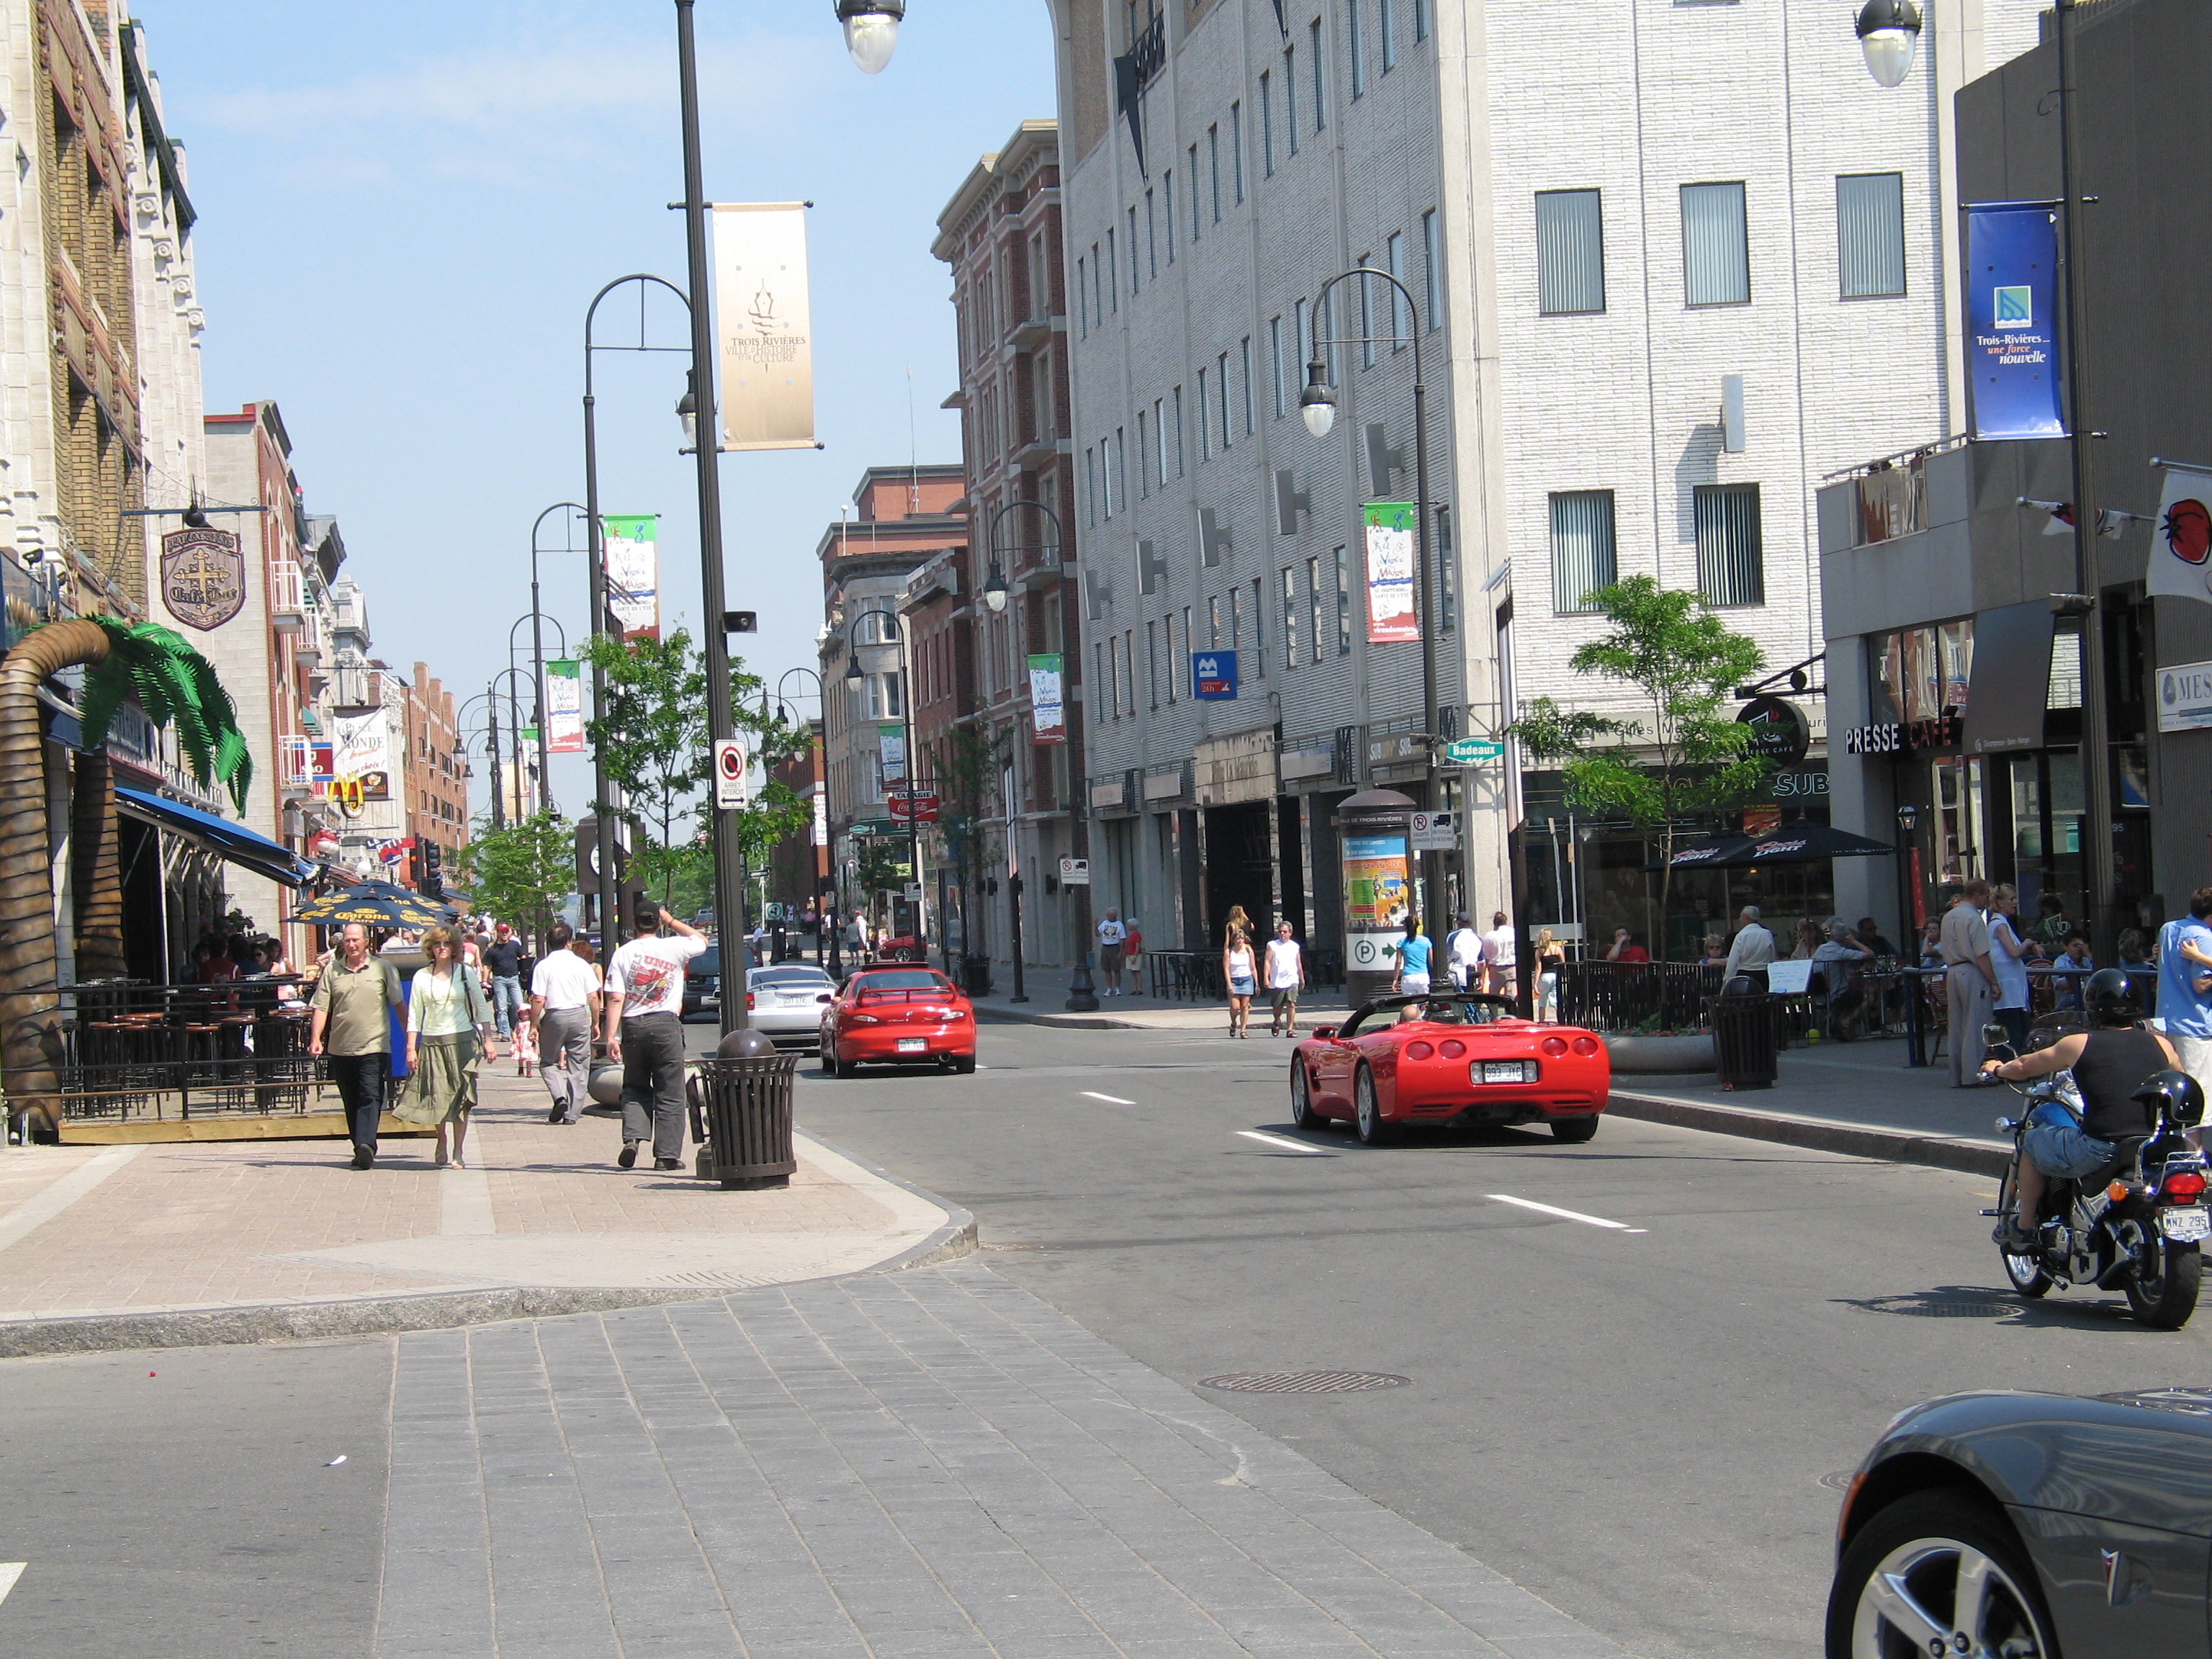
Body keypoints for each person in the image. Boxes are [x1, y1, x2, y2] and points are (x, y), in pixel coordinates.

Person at [1983, 967, 2177, 1251]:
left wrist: (1999, 1069)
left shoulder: (2078, 1044)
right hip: (2152, 1145)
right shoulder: (2161, 1044)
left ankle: (2023, 1227)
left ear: (2092, 1006)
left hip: (2101, 1147)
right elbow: (2180, 1081)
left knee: (2031, 1142)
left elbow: (2025, 1066)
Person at [603, 900, 709, 1170]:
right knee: (670, 1091)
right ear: (657, 921)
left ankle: (633, 1139)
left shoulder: (623, 954)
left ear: (634, 923)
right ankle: (666, 1155)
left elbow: (616, 998)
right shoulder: (674, 946)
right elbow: (701, 940)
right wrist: (672, 921)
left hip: (633, 1026)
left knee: (635, 1085)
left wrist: (611, 1037)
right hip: (665, 1024)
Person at [307, 922, 406, 1170]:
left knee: (370, 1095)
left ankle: (366, 1145)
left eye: (355, 940)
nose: (351, 944)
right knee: (351, 1099)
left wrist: (410, 1039)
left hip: (374, 1043)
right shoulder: (332, 971)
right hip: (341, 1046)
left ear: (366, 942)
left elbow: (398, 1004)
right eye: (347, 941)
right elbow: (321, 1006)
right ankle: (359, 1145)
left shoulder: (383, 969)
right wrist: (316, 1038)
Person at [392, 925, 494, 1169]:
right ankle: (442, 1140)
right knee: (437, 1096)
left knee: (462, 1097)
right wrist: (410, 1048)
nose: (442, 948)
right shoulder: (421, 977)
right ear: (430, 948)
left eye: (447, 944)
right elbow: (415, 1015)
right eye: (437, 944)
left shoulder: (465, 973)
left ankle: (459, 1151)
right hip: (432, 1041)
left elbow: (481, 1007)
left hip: (462, 1040)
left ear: (455, 947)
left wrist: (489, 1039)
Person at [530, 922, 603, 1125]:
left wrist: (533, 1025)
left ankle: (560, 1097)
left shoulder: (543, 965)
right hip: (579, 1015)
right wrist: (596, 1022)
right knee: (579, 1064)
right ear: (569, 942)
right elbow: (594, 997)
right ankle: (572, 1113)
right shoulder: (582, 965)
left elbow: (538, 999)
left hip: (555, 1016)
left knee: (548, 1061)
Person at [1939, 880, 2000, 1087]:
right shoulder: (1974, 918)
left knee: (1956, 1025)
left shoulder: (1949, 917)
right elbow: (1981, 954)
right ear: (1979, 895)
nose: (1987, 900)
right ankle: (1971, 1074)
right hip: (1971, 970)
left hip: (1953, 970)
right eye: (1986, 896)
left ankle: (1956, 1075)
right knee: (1975, 1024)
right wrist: (1994, 982)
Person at [2155, 886, 2212, 1093]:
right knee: (2198, 1094)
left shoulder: (2168, 929)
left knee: (2174, 1089)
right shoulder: (2204, 937)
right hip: (2195, 1025)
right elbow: (2202, 984)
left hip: (2166, 1022)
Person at [1986, 884, 2035, 1052]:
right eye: (2011, 899)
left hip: (2011, 985)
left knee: (2014, 1026)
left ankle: (2013, 1060)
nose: (2016, 902)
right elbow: (2014, 952)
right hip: (2009, 986)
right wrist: (2028, 943)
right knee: (2013, 1028)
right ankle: (2011, 1061)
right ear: (2000, 902)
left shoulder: (1999, 923)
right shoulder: (2000, 925)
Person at [1810, 919, 1874, 1039]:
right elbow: (1870, 954)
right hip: (1838, 995)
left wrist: (1854, 971)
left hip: (1820, 995)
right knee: (1868, 996)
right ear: (1845, 938)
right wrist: (1853, 941)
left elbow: (1830, 968)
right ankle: (1845, 1021)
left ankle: (1836, 1020)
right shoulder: (1841, 952)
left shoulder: (1821, 950)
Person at [482, 922, 526, 1056]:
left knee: (519, 1005)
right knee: (501, 1007)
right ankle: (504, 1033)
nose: (505, 933)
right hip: (499, 979)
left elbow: (523, 957)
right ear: (498, 933)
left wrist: (524, 971)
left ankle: (520, 1029)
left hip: (513, 978)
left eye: (506, 931)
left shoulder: (514, 945)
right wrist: (484, 981)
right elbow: (487, 966)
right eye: (502, 931)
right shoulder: (493, 949)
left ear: (510, 932)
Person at [1264, 920, 1306, 1036]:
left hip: (1292, 978)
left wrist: (1301, 978)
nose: (1282, 934)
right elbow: (1267, 962)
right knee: (1278, 1005)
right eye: (1280, 932)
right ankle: (1277, 1021)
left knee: (1291, 1003)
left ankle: (1290, 1029)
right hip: (1277, 979)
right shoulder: (1272, 945)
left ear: (1290, 933)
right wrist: (1266, 978)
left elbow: (1298, 963)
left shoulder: (1295, 946)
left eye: (1285, 932)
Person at [1723, 906, 1776, 990]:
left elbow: (1733, 960)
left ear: (1746, 917)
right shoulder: (1767, 934)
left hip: (1744, 974)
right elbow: (1772, 956)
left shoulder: (1741, 935)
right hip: (1762, 974)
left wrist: (1727, 980)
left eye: (1741, 916)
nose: (1740, 919)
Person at [1223, 927, 1257, 1038]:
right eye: (1238, 939)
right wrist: (1229, 984)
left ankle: (1243, 1030)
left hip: (1247, 979)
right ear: (1234, 940)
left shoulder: (1248, 950)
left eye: (1242, 938)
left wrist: (1256, 983)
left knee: (1245, 1006)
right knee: (1235, 1007)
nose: (1240, 941)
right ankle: (1233, 1023)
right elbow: (1226, 969)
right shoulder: (1229, 952)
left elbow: (1253, 968)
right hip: (1234, 980)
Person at [2051, 933, 2096, 1011]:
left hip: (2088, 1007)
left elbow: (2099, 974)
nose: (2078, 949)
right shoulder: (2061, 962)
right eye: (2075, 946)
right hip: (2066, 1009)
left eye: (2081, 946)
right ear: (2065, 946)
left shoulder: (2087, 961)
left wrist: (2088, 954)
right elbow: (2062, 984)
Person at [1446, 912, 1483, 993]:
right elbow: (1481, 962)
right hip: (1473, 975)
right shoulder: (1478, 938)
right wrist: (1481, 979)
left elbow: (1447, 955)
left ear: (1458, 923)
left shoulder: (1452, 936)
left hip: (1456, 975)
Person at [1396, 919, 1434, 998]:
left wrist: (1395, 980)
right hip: (1423, 976)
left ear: (1405, 927)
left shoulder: (1401, 942)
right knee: (1424, 1005)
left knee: (1410, 1006)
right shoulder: (1426, 941)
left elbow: (1398, 962)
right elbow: (1431, 961)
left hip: (1408, 977)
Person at [1481, 912, 1516, 995]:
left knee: (1494, 997)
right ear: (1506, 921)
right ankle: (1512, 1008)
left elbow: (1487, 956)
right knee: (1511, 997)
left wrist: (1488, 969)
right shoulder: (1514, 932)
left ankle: (1494, 1009)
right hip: (1511, 968)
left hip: (1496, 969)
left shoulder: (1490, 935)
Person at [1535, 928, 1566, 1020]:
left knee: (1542, 1001)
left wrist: (1535, 984)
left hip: (1545, 976)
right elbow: (1563, 963)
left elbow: (1538, 968)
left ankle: (1541, 1022)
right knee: (1556, 1000)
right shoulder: (1557, 949)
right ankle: (1560, 1021)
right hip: (1556, 975)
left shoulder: (1539, 951)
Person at [1097, 909, 1128, 996]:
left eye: (1109, 914)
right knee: (1107, 969)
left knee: (1116, 969)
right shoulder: (1104, 923)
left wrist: (1121, 951)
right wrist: (1095, 925)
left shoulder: (1119, 925)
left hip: (1115, 946)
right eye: (1107, 914)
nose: (1108, 916)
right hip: (1105, 946)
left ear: (1114, 915)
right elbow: (1098, 934)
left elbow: (1122, 939)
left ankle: (1117, 988)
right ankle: (1109, 988)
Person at [1123, 917, 1144, 994]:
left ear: (1133, 926)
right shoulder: (1130, 935)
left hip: (1135, 955)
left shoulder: (1137, 935)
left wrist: (1135, 957)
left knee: (1137, 972)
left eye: (1129, 925)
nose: (1128, 926)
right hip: (1129, 955)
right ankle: (1134, 988)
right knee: (1132, 972)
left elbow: (1137, 946)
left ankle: (1139, 988)